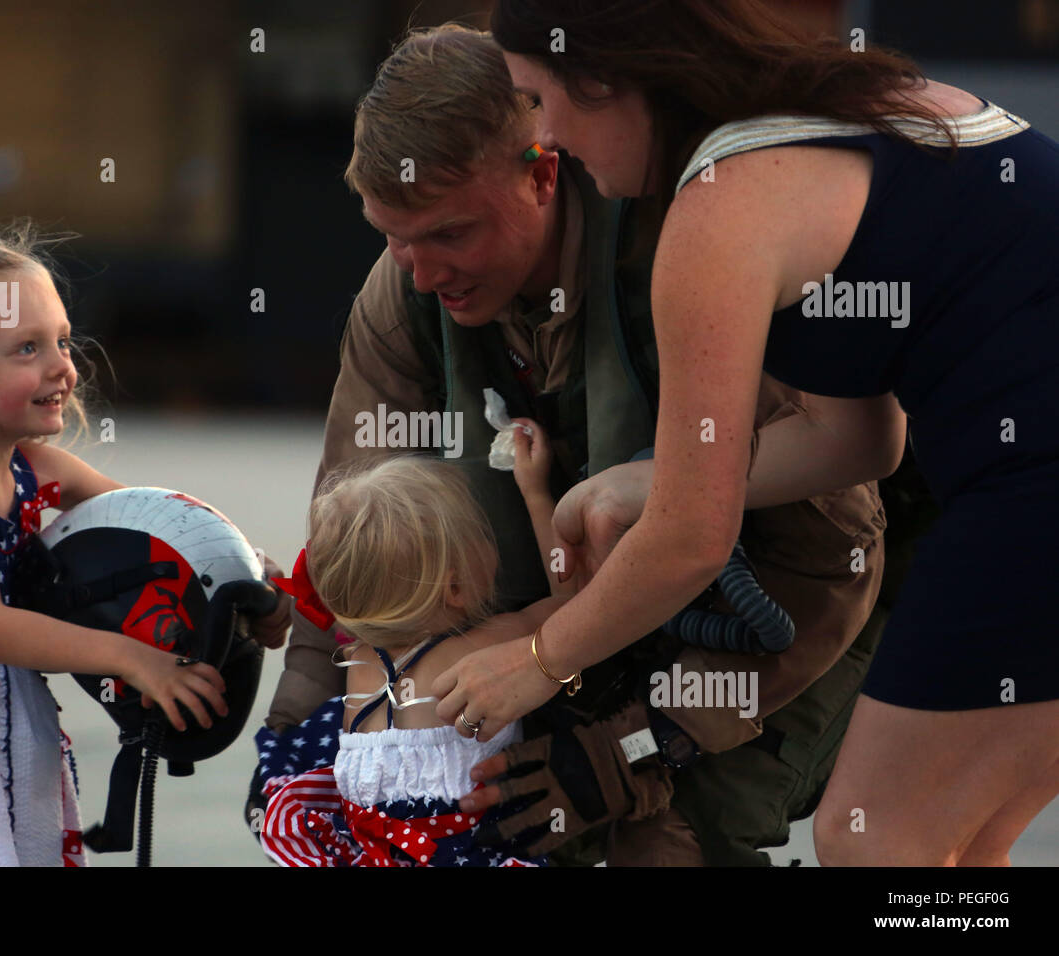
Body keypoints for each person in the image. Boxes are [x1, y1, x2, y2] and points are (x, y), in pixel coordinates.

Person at [258, 24, 893, 866]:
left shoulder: (692, 253)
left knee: (669, 839)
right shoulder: (405, 293)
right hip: (558, 629)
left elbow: (829, 557)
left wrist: (640, 745)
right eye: (392, 236)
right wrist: (298, 737)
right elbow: (355, 549)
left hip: (780, 614)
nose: (419, 272)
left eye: (450, 234)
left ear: (542, 175)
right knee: (499, 820)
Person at [465, 0, 1059, 865]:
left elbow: (690, 542)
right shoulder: (843, 111)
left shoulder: (723, 203)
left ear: (605, 73)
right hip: (1024, 493)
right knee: (960, 854)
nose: (544, 137)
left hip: (1030, 500)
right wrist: (645, 481)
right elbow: (857, 442)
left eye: (537, 99)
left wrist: (539, 658)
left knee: (874, 842)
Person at [0, 195, 289, 866]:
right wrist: (135, 658)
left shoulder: (32, 466)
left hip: (2, 697)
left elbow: (160, 525)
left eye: (62, 340)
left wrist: (248, 580)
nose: (62, 366)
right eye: (26, 349)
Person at [256, 452, 601, 866]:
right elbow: (574, 606)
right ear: (455, 588)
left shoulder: (357, 656)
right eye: (484, 538)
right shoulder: (484, 645)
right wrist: (536, 493)